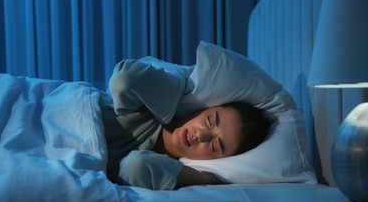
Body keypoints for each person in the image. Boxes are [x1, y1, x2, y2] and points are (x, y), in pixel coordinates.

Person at [100, 59, 271, 190]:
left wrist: (206, 178)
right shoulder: (145, 109)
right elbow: (124, 79)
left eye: (215, 145)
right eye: (210, 120)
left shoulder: (161, 169)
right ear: (203, 109)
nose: (201, 135)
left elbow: (137, 168)